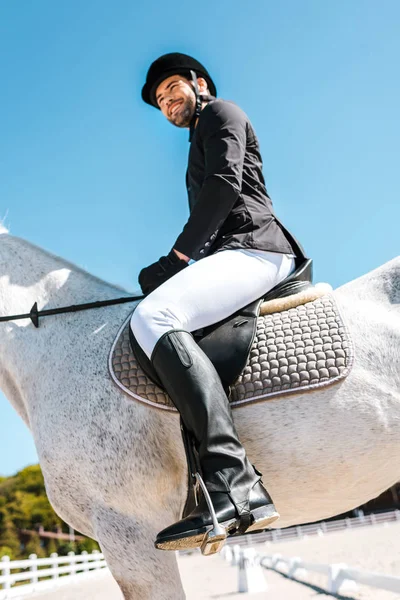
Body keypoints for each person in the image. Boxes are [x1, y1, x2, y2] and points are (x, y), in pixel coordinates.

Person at [130, 52, 301, 552]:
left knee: (155, 314)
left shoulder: (222, 112)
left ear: (198, 83)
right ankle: (203, 489)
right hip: (232, 253)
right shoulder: (195, 138)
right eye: (160, 100)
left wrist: (176, 259)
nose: (166, 102)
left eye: (171, 90)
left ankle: (234, 480)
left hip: (256, 247)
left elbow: (225, 185)